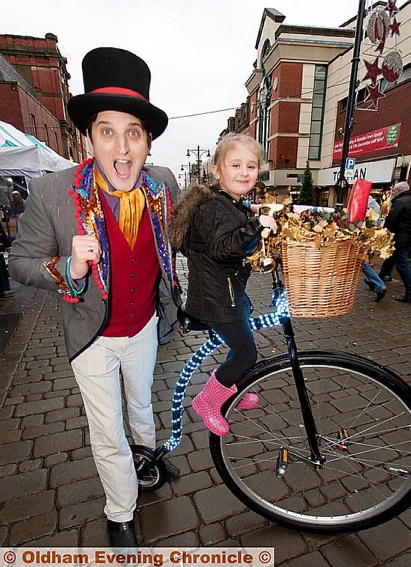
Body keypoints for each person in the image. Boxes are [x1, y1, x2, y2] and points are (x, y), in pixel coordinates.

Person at [9, 47, 181, 548]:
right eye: (108, 131)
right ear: (89, 137)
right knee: (107, 432)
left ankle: (147, 461)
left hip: (145, 324)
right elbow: (19, 262)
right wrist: (69, 267)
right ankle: (120, 511)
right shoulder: (53, 193)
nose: (122, 149)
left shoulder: (164, 186)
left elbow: (190, 236)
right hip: (92, 337)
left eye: (134, 132)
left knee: (142, 407)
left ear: (148, 140)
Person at [170, 133, 277, 436]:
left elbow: (231, 225)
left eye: (251, 166)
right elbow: (222, 248)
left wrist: (252, 214)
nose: (244, 172)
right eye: (235, 165)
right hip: (218, 300)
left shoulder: (228, 203)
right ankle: (207, 402)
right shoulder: (216, 207)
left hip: (225, 295)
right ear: (216, 170)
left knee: (238, 350)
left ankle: (229, 390)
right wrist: (257, 225)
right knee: (246, 354)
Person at [378, 181, 411, 303]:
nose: (393, 193)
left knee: (401, 265)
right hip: (406, 237)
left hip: (398, 237)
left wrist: (384, 233)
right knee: (389, 260)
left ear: (401, 191)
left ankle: (410, 292)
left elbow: (391, 219)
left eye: (395, 191)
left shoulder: (400, 202)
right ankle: (376, 281)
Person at [362, 195, 387, 302]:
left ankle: (379, 285)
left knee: (364, 263)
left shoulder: (364, 205)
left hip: (364, 237)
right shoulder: (376, 205)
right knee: (368, 262)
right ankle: (373, 282)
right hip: (372, 236)